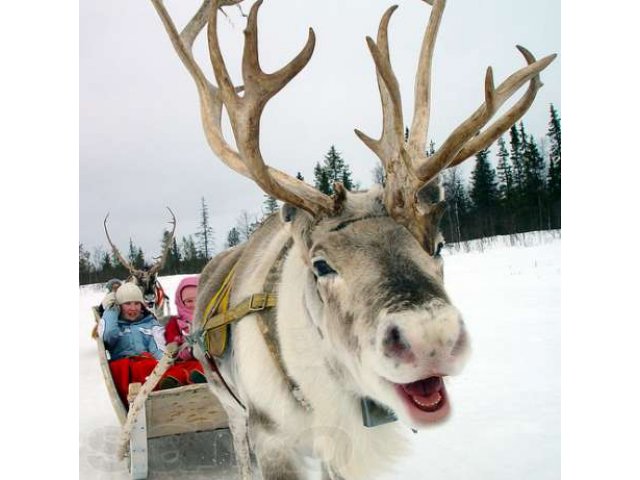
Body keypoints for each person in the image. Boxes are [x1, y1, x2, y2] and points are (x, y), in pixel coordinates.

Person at [99, 282, 189, 405]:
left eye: (137, 303)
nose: (133, 308)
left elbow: (157, 347)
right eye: (127, 304)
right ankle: (165, 383)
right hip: (125, 366)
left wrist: (165, 363)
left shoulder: (149, 323)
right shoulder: (115, 325)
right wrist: (111, 309)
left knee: (163, 366)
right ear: (119, 306)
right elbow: (108, 334)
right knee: (138, 367)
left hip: (147, 361)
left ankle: (173, 381)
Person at [164, 276, 207, 384]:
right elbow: (171, 340)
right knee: (178, 371)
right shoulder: (175, 322)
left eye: (198, 299)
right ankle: (172, 382)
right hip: (184, 359)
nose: (194, 304)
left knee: (203, 367)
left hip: (206, 358)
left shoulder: (209, 318)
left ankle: (199, 378)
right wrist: (179, 346)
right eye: (188, 301)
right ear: (181, 302)